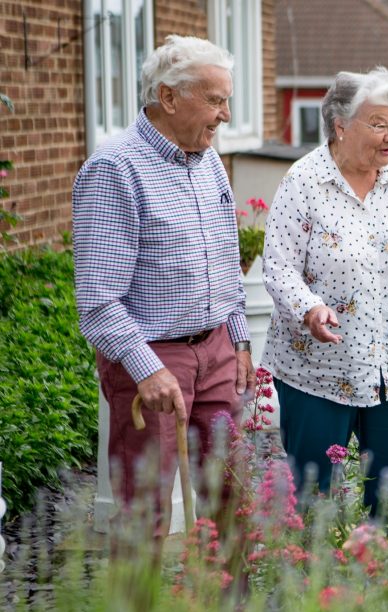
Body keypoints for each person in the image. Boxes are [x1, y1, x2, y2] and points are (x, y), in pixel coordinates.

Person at [73, 36, 255, 540]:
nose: (224, 114)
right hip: (152, 359)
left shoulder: (209, 160)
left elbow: (223, 258)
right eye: (215, 100)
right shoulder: (115, 169)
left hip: (215, 349)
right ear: (170, 97)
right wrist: (147, 370)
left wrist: (237, 338)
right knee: (145, 513)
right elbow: (97, 300)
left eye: (227, 100)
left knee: (231, 498)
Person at [261, 66, 388, 516]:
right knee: (313, 498)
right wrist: (309, 308)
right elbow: (278, 265)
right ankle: (314, 583)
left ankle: (383, 581)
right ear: (341, 125)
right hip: (319, 371)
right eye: (379, 124)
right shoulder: (303, 182)